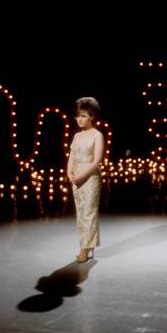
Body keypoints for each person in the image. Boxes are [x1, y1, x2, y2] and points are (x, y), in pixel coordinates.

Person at [67, 97, 104, 263]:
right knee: (81, 213)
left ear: (91, 116)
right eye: (78, 116)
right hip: (76, 179)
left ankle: (85, 249)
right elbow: (71, 156)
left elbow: (96, 161)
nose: (79, 119)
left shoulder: (97, 135)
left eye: (83, 116)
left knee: (89, 212)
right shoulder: (77, 136)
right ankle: (87, 245)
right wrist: (69, 173)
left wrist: (82, 175)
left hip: (90, 178)